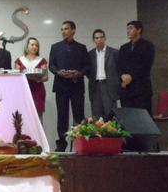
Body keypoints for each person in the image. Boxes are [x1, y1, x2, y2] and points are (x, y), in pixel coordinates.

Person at [48, 21, 90, 152]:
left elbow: (87, 66)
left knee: (79, 116)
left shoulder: (81, 48)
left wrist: (79, 73)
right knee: (62, 116)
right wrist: (58, 72)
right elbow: (51, 65)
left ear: (73, 30)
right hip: (61, 86)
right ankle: (61, 145)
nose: (63, 31)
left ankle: (81, 143)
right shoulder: (55, 47)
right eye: (62, 29)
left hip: (76, 85)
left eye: (66, 29)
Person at [119, 20, 155, 115]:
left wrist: (131, 76)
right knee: (128, 118)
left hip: (141, 89)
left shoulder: (148, 46)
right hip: (126, 90)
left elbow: (146, 65)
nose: (128, 31)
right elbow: (119, 65)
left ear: (139, 30)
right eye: (127, 29)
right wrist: (122, 76)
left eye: (131, 28)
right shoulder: (123, 48)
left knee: (143, 118)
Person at [87, 29, 120, 120]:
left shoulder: (114, 53)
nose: (99, 40)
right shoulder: (90, 54)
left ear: (105, 38)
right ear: (93, 40)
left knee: (110, 115)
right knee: (97, 115)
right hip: (95, 86)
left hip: (109, 86)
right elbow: (88, 71)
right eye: (97, 38)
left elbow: (119, 70)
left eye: (101, 37)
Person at [15, 37, 48, 121]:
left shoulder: (41, 60)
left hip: (38, 90)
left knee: (38, 116)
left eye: (36, 45)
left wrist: (37, 79)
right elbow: (15, 76)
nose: (34, 47)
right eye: (32, 45)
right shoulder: (20, 60)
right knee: (22, 116)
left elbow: (46, 77)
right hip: (23, 90)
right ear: (27, 46)